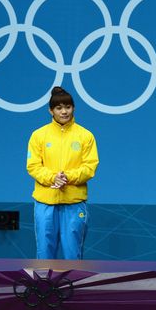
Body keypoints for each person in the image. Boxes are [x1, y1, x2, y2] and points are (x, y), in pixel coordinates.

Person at [26, 86, 99, 260]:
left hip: (73, 203)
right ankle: (43, 287)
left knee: (73, 253)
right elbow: (33, 166)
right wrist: (52, 178)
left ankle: (72, 286)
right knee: (44, 252)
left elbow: (90, 167)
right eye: (59, 108)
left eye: (68, 107)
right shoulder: (38, 135)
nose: (64, 111)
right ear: (50, 111)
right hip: (45, 202)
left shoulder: (85, 136)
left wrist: (67, 177)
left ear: (73, 108)